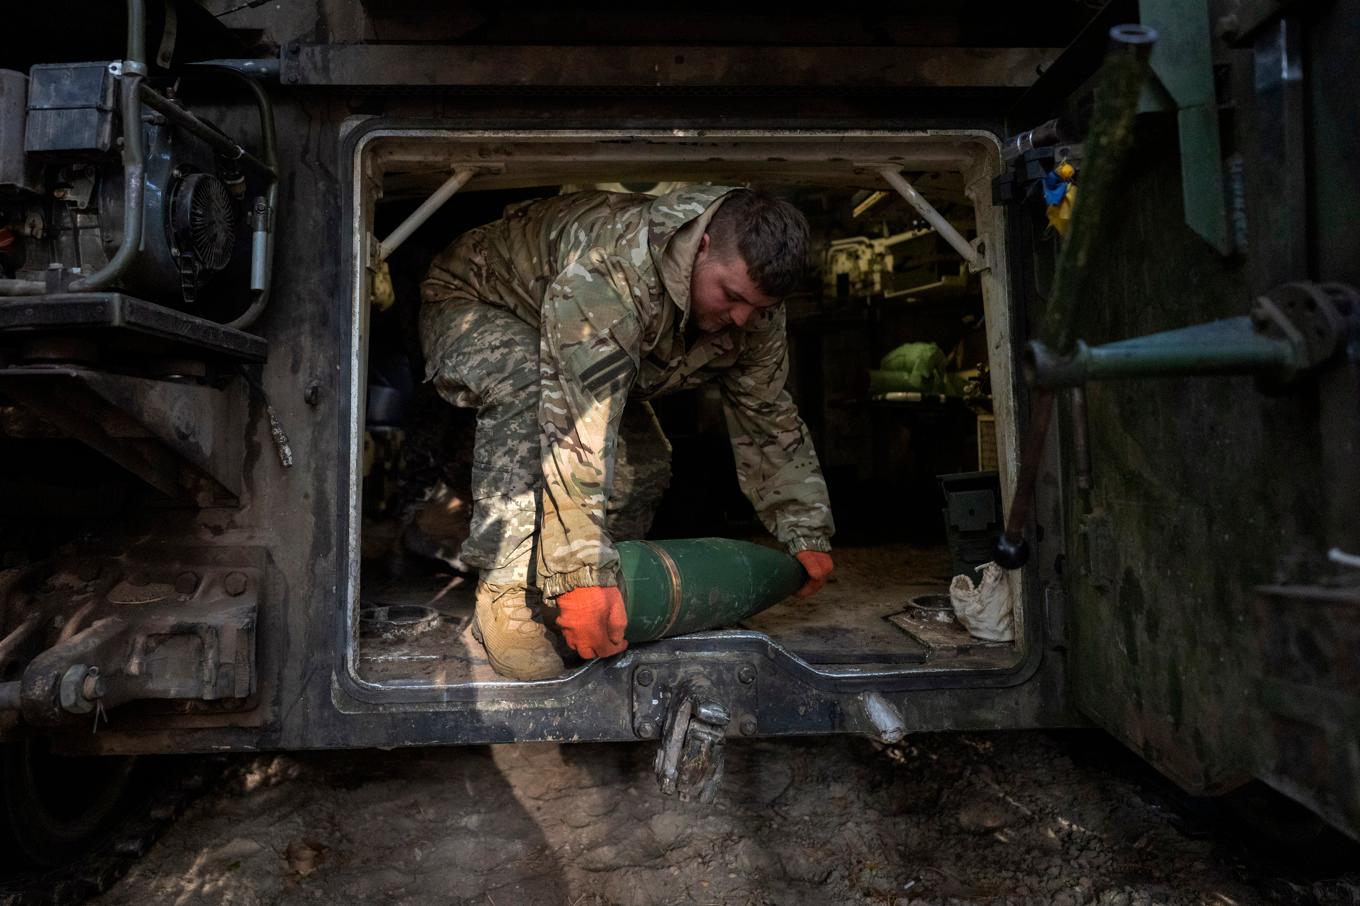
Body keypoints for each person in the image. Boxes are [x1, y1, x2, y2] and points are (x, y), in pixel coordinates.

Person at [418, 185, 835, 680]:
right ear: (702, 247)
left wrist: (803, 527)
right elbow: (576, 432)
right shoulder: (612, 271)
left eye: (760, 307)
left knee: (647, 463)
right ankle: (509, 594)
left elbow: (767, 414)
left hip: (574, 346)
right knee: (530, 390)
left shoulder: (755, 309)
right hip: (478, 303)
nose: (743, 318)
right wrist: (581, 574)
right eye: (732, 296)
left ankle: (578, 594)